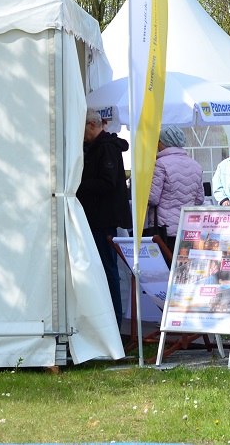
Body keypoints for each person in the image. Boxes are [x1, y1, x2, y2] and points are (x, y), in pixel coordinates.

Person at [78, 110, 130, 323]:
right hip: (96, 218)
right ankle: (106, 320)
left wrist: (78, 185)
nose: (80, 135)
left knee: (108, 270)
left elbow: (107, 183)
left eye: (82, 129)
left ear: (92, 125)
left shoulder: (106, 148)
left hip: (103, 219)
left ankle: (114, 321)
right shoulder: (97, 147)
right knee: (102, 270)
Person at [148, 126, 205, 250]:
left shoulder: (160, 164)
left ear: (163, 142)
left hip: (165, 228)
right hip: (188, 226)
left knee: (166, 264)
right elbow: (200, 199)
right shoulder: (195, 164)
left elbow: (153, 198)